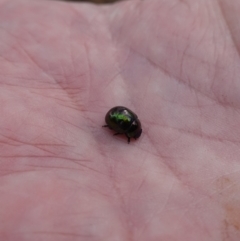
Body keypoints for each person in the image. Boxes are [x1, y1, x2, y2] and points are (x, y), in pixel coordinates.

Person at [0, 0, 239, 240]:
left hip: (113, 116)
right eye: (133, 135)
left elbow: (123, 119)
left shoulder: (131, 127)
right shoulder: (127, 129)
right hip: (112, 116)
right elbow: (122, 120)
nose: (133, 135)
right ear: (133, 132)